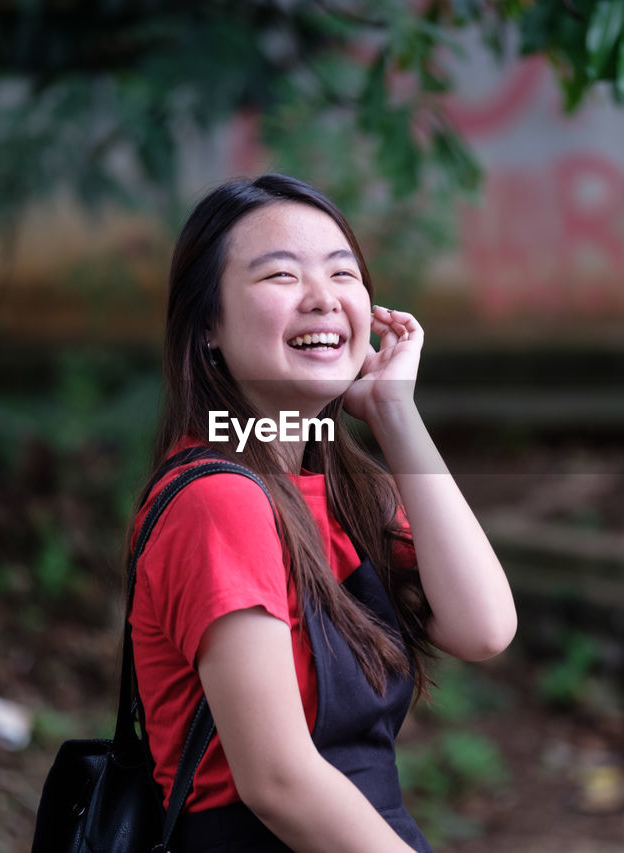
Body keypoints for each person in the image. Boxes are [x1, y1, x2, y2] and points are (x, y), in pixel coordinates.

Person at [128, 173, 517, 853]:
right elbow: (277, 779)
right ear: (209, 326)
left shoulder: (339, 490)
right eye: (280, 275)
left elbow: (482, 626)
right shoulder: (218, 499)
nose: (323, 299)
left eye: (344, 273)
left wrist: (395, 413)